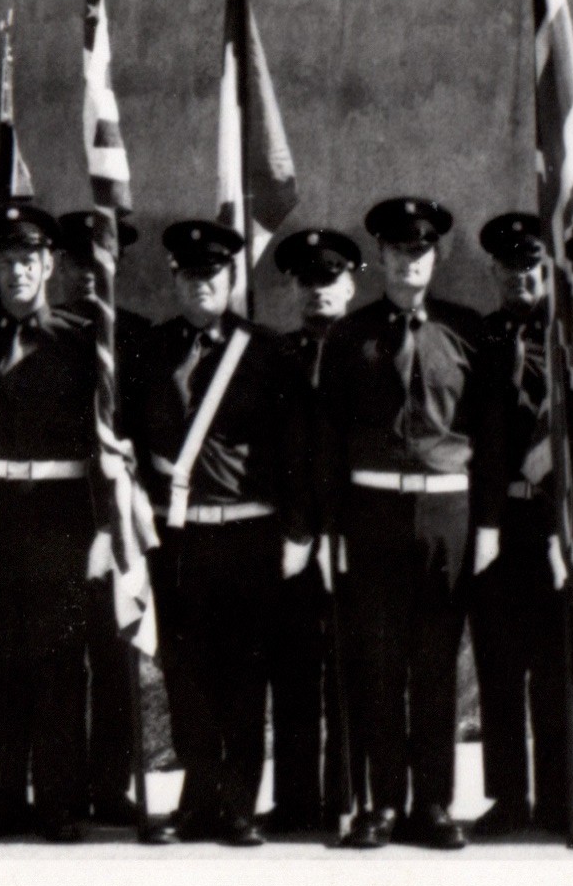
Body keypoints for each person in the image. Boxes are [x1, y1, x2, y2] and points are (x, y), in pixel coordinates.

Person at [0, 204, 108, 842]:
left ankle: (61, 802)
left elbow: (107, 438)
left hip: (59, 514)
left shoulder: (81, 341)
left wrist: (109, 528)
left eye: (28, 260)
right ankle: (3, 799)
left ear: (49, 264)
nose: (17, 272)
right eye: (5, 262)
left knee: (60, 658)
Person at [129, 220, 308, 846]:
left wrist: (298, 532)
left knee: (244, 673)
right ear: (174, 279)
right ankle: (196, 799)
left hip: (248, 536)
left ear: (231, 280)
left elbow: (295, 451)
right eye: (189, 273)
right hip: (178, 540)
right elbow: (127, 440)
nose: (201, 283)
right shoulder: (150, 351)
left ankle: (238, 806)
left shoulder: (266, 352)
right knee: (186, 674)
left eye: (213, 274)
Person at [313, 197, 479, 850]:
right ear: (379, 256)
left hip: (446, 512)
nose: (410, 260)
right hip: (371, 513)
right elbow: (326, 441)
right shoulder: (350, 337)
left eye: (421, 250)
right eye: (398, 250)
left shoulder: (467, 332)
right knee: (376, 662)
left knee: (436, 664)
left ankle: (433, 804)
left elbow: (485, 432)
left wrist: (486, 525)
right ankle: (380, 804)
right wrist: (331, 531)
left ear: (434, 257)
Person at [462, 213, 573, 844]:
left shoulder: (572, 339)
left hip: (555, 519)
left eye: (533, 266)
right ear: (495, 273)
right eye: (510, 268)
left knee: (557, 667)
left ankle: (560, 799)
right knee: (500, 667)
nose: (522, 277)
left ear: (548, 268)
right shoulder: (476, 339)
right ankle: (508, 798)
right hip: (496, 520)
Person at [264, 228, 360, 836]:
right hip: (291, 535)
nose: (317, 291)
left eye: (329, 280)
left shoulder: (371, 347)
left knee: (351, 671)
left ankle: (344, 798)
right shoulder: (274, 354)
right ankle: (296, 800)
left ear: (351, 283)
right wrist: (294, 529)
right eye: (307, 281)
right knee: (293, 668)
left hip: (355, 533)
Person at [56, 208, 149, 829]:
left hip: (118, 516)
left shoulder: (140, 336)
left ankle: (112, 788)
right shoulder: (42, 332)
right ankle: (63, 791)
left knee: (117, 655)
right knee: (62, 660)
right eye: (75, 261)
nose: (88, 274)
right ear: (58, 265)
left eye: (100, 262)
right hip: (55, 517)